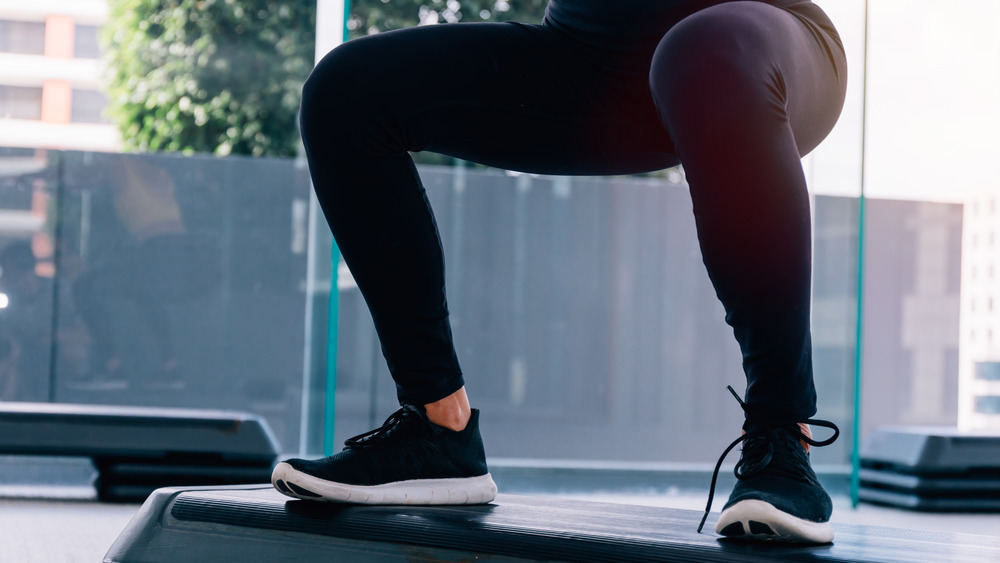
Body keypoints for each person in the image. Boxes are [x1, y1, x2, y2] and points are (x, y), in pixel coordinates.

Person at [271, 0, 847, 544]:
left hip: (760, 49)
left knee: (704, 51)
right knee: (347, 92)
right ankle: (438, 428)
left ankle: (781, 433)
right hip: (588, 59)